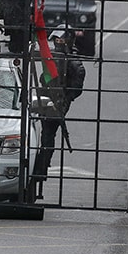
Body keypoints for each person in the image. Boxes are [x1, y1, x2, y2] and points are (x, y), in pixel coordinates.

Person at [32, 25, 86, 184]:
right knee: (41, 133)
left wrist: (63, 98)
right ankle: (39, 165)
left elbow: (77, 88)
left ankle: (41, 167)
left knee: (48, 134)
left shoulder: (74, 63)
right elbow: (43, 78)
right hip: (45, 98)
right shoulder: (54, 57)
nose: (58, 42)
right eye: (56, 40)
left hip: (59, 103)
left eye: (61, 40)